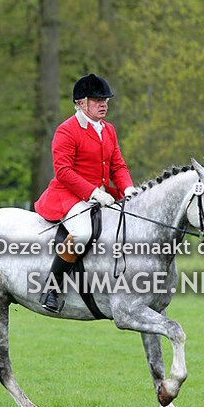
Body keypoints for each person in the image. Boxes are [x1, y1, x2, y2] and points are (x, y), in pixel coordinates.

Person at [34, 73, 136, 313]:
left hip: (102, 195)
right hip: (69, 195)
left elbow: (118, 166)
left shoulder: (108, 130)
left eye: (106, 100)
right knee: (82, 233)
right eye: (97, 100)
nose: (104, 104)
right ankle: (51, 288)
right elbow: (63, 171)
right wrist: (93, 192)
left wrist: (128, 187)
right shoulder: (66, 130)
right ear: (81, 103)